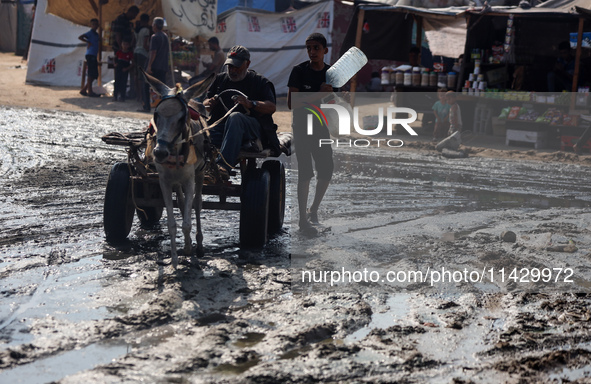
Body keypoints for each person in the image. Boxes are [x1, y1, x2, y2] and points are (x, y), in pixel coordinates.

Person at [203, 45, 280, 180]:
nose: (232, 70)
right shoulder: (220, 80)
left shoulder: (259, 82)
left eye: (236, 67)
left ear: (247, 64)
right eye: (230, 66)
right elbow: (206, 104)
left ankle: (223, 166)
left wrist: (251, 104)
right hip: (223, 128)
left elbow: (271, 107)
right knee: (198, 128)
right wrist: (209, 103)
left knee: (235, 117)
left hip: (252, 128)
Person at [287, 33, 335, 235]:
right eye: (309, 48)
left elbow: (332, 101)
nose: (312, 52)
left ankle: (313, 210)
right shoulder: (299, 71)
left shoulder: (331, 73)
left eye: (316, 48)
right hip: (301, 126)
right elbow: (293, 103)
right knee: (305, 172)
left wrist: (339, 97)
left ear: (325, 50)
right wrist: (319, 95)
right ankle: (302, 220)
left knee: (327, 170)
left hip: (321, 127)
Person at [140, 17, 170, 112]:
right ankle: (164, 108)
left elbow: (153, 52)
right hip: (163, 66)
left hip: (154, 66)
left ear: (155, 25)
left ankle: (146, 106)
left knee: (145, 85)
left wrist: (149, 66)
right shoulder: (165, 36)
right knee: (163, 88)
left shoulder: (155, 37)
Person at [78, 18, 100, 97]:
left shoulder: (97, 35)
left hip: (94, 54)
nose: (94, 26)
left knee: (94, 74)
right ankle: (90, 91)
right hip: (90, 54)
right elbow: (80, 37)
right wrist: (87, 42)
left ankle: (84, 89)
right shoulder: (90, 33)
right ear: (91, 25)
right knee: (91, 73)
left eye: (96, 24)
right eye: (93, 24)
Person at [133, 13, 151, 101]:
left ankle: (137, 95)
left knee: (136, 74)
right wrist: (150, 50)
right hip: (142, 53)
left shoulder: (136, 30)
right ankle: (141, 96)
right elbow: (145, 44)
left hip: (135, 51)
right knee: (141, 76)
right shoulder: (146, 30)